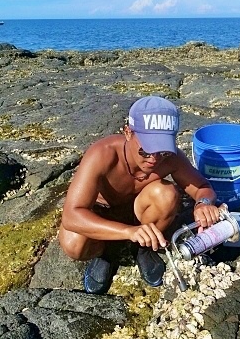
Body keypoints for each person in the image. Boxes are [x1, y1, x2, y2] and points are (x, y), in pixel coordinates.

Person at [59, 96, 221, 294]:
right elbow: (71, 215)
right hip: (102, 212)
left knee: (166, 194)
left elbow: (203, 187)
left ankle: (143, 249)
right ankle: (107, 253)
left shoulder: (171, 158)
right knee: (73, 245)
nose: (154, 159)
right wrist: (128, 232)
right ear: (128, 132)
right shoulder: (102, 154)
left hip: (138, 211)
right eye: (145, 150)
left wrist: (203, 203)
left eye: (162, 150)